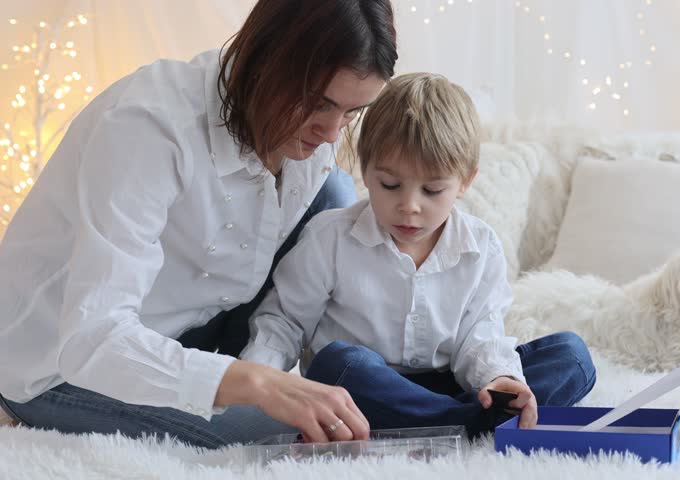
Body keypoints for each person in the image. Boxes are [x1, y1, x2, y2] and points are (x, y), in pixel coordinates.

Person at [0, 0, 397, 449]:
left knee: (334, 194)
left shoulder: (313, 138)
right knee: (295, 437)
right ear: (266, 61)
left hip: (193, 322)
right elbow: (91, 340)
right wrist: (259, 385)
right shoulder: (147, 127)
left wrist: (272, 374)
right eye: (318, 104)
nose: (331, 133)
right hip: (59, 365)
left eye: (351, 112)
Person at [240, 73, 597, 438]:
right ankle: (468, 425)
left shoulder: (481, 247)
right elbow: (284, 322)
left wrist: (500, 379)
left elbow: (481, 335)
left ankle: (451, 421)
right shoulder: (329, 237)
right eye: (390, 185)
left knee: (572, 356)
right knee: (337, 363)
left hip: (450, 385)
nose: (409, 206)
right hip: (361, 390)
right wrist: (258, 385)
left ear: (465, 182)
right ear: (365, 171)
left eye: (432, 190)